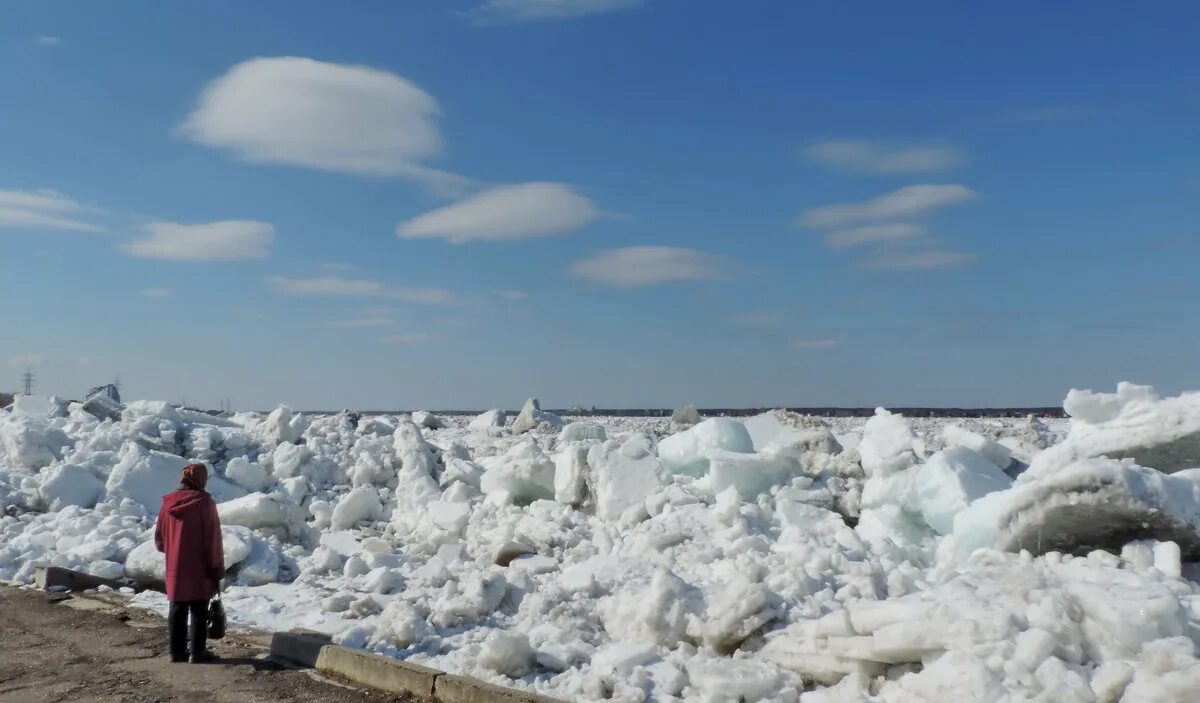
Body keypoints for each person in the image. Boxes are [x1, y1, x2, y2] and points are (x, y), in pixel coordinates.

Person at [154, 462, 224, 663]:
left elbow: (159, 540)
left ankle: (176, 652)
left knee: (177, 607)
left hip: (175, 565)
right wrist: (216, 567)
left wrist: (174, 550)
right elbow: (213, 539)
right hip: (199, 566)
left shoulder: (167, 503)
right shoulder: (205, 502)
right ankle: (197, 652)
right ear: (201, 479)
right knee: (199, 609)